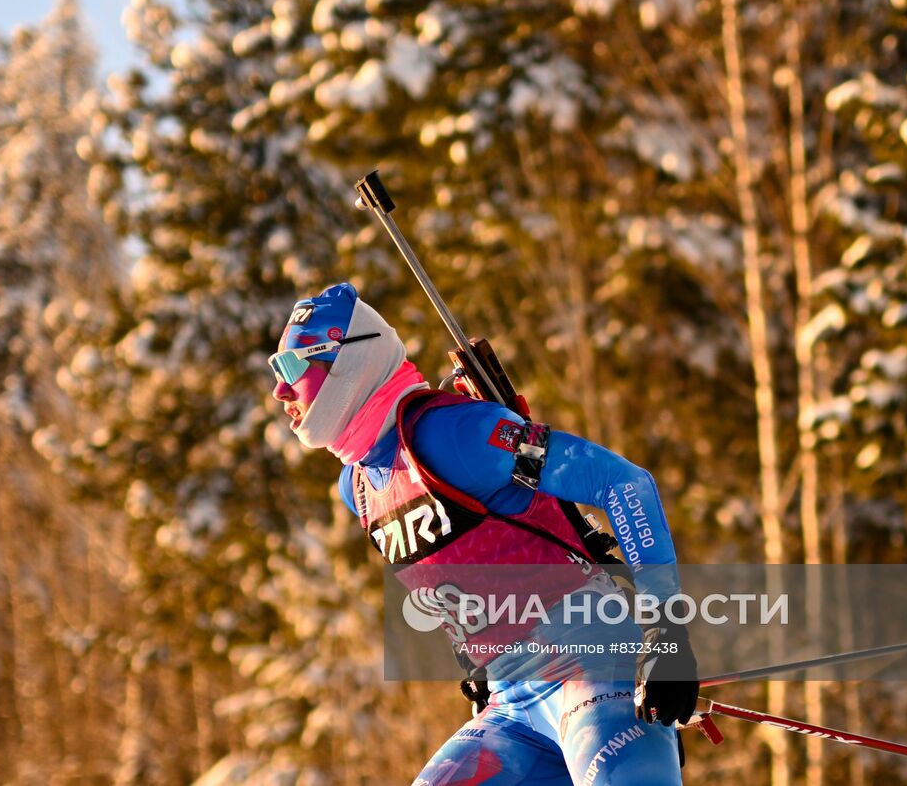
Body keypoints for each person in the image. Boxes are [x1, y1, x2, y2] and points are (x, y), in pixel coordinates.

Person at [269, 283, 697, 785]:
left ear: (347, 360)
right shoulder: (360, 487)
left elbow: (620, 482)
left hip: (595, 666)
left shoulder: (458, 434)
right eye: (276, 374)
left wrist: (665, 633)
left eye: (293, 368)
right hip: (512, 704)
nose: (280, 390)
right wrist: (471, 662)